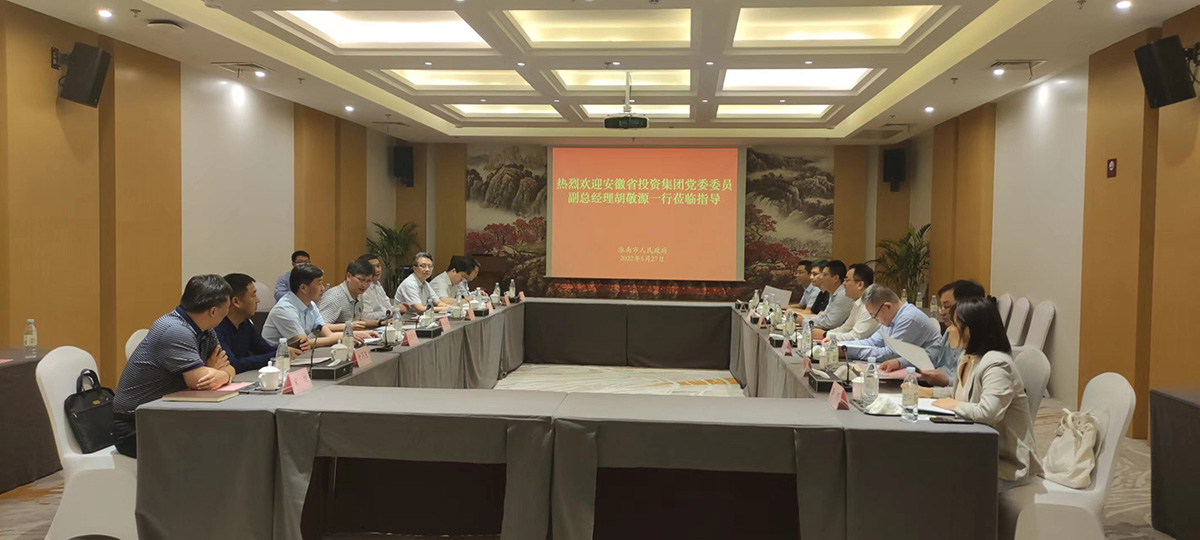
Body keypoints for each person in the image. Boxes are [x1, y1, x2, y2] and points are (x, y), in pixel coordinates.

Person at [112, 275, 236, 458]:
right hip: (136, 426)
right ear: (213, 311)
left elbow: (228, 365)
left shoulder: (205, 330)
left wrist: (220, 373)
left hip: (166, 415)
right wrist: (220, 373)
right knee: (216, 448)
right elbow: (200, 381)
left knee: (226, 438)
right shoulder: (174, 330)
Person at [931, 296, 1042, 491]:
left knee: (934, 474)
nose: (949, 330)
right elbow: (962, 395)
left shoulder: (997, 364)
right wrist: (927, 392)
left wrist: (955, 405)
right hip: (974, 448)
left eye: (955, 325)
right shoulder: (968, 356)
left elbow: (989, 412)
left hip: (1003, 463)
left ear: (971, 330)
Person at [885, 280, 986, 391]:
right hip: (935, 389)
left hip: (947, 394)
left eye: (947, 306)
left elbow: (973, 386)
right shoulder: (950, 330)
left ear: (967, 306)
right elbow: (931, 354)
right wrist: (899, 362)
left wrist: (946, 381)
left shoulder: (980, 341)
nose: (941, 312)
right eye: (941, 306)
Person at [263, 263, 368, 349]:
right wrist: (344, 337)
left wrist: (355, 335)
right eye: (319, 283)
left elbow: (329, 335)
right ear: (303, 288)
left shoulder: (311, 305)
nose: (323, 288)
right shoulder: (284, 309)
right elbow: (303, 343)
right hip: (275, 361)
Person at [215, 273, 300, 373]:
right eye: (254, 295)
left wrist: (286, 350)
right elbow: (233, 364)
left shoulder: (244, 323)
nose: (258, 300)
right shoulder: (216, 328)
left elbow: (263, 349)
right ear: (236, 302)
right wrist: (277, 355)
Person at [840, 284, 941, 361]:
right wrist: (841, 346)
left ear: (887, 306)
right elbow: (872, 342)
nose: (875, 319)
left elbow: (891, 354)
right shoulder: (891, 319)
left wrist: (847, 352)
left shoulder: (908, 318)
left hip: (928, 372)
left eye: (874, 315)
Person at [816, 263, 880, 342]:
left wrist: (825, 335)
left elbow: (856, 337)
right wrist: (825, 334)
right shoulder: (858, 303)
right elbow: (845, 329)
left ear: (860, 284)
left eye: (847, 280)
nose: (843, 284)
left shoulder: (870, 305)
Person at [319, 258, 388, 331]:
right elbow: (319, 327)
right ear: (348, 276)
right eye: (361, 280)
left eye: (368, 281)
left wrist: (381, 323)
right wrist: (348, 326)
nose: (364, 285)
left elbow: (357, 322)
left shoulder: (358, 295)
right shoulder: (334, 297)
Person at [807, 260, 852, 330]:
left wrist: (804, 321)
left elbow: (830, 323)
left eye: (824, 275)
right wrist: (805, 320)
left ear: (836, 278)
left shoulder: (843, 295)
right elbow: (824, 316)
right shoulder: (833, 293)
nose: (820, 277)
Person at [357, 253, 402, 321]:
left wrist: (396, 309)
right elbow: (366, 316)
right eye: (373, 267)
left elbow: (388, 306)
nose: (377, 270)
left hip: (384, 323)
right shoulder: (363, 288)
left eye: (378, 266)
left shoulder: (378, 284)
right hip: (372, 326)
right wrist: (390, 311)